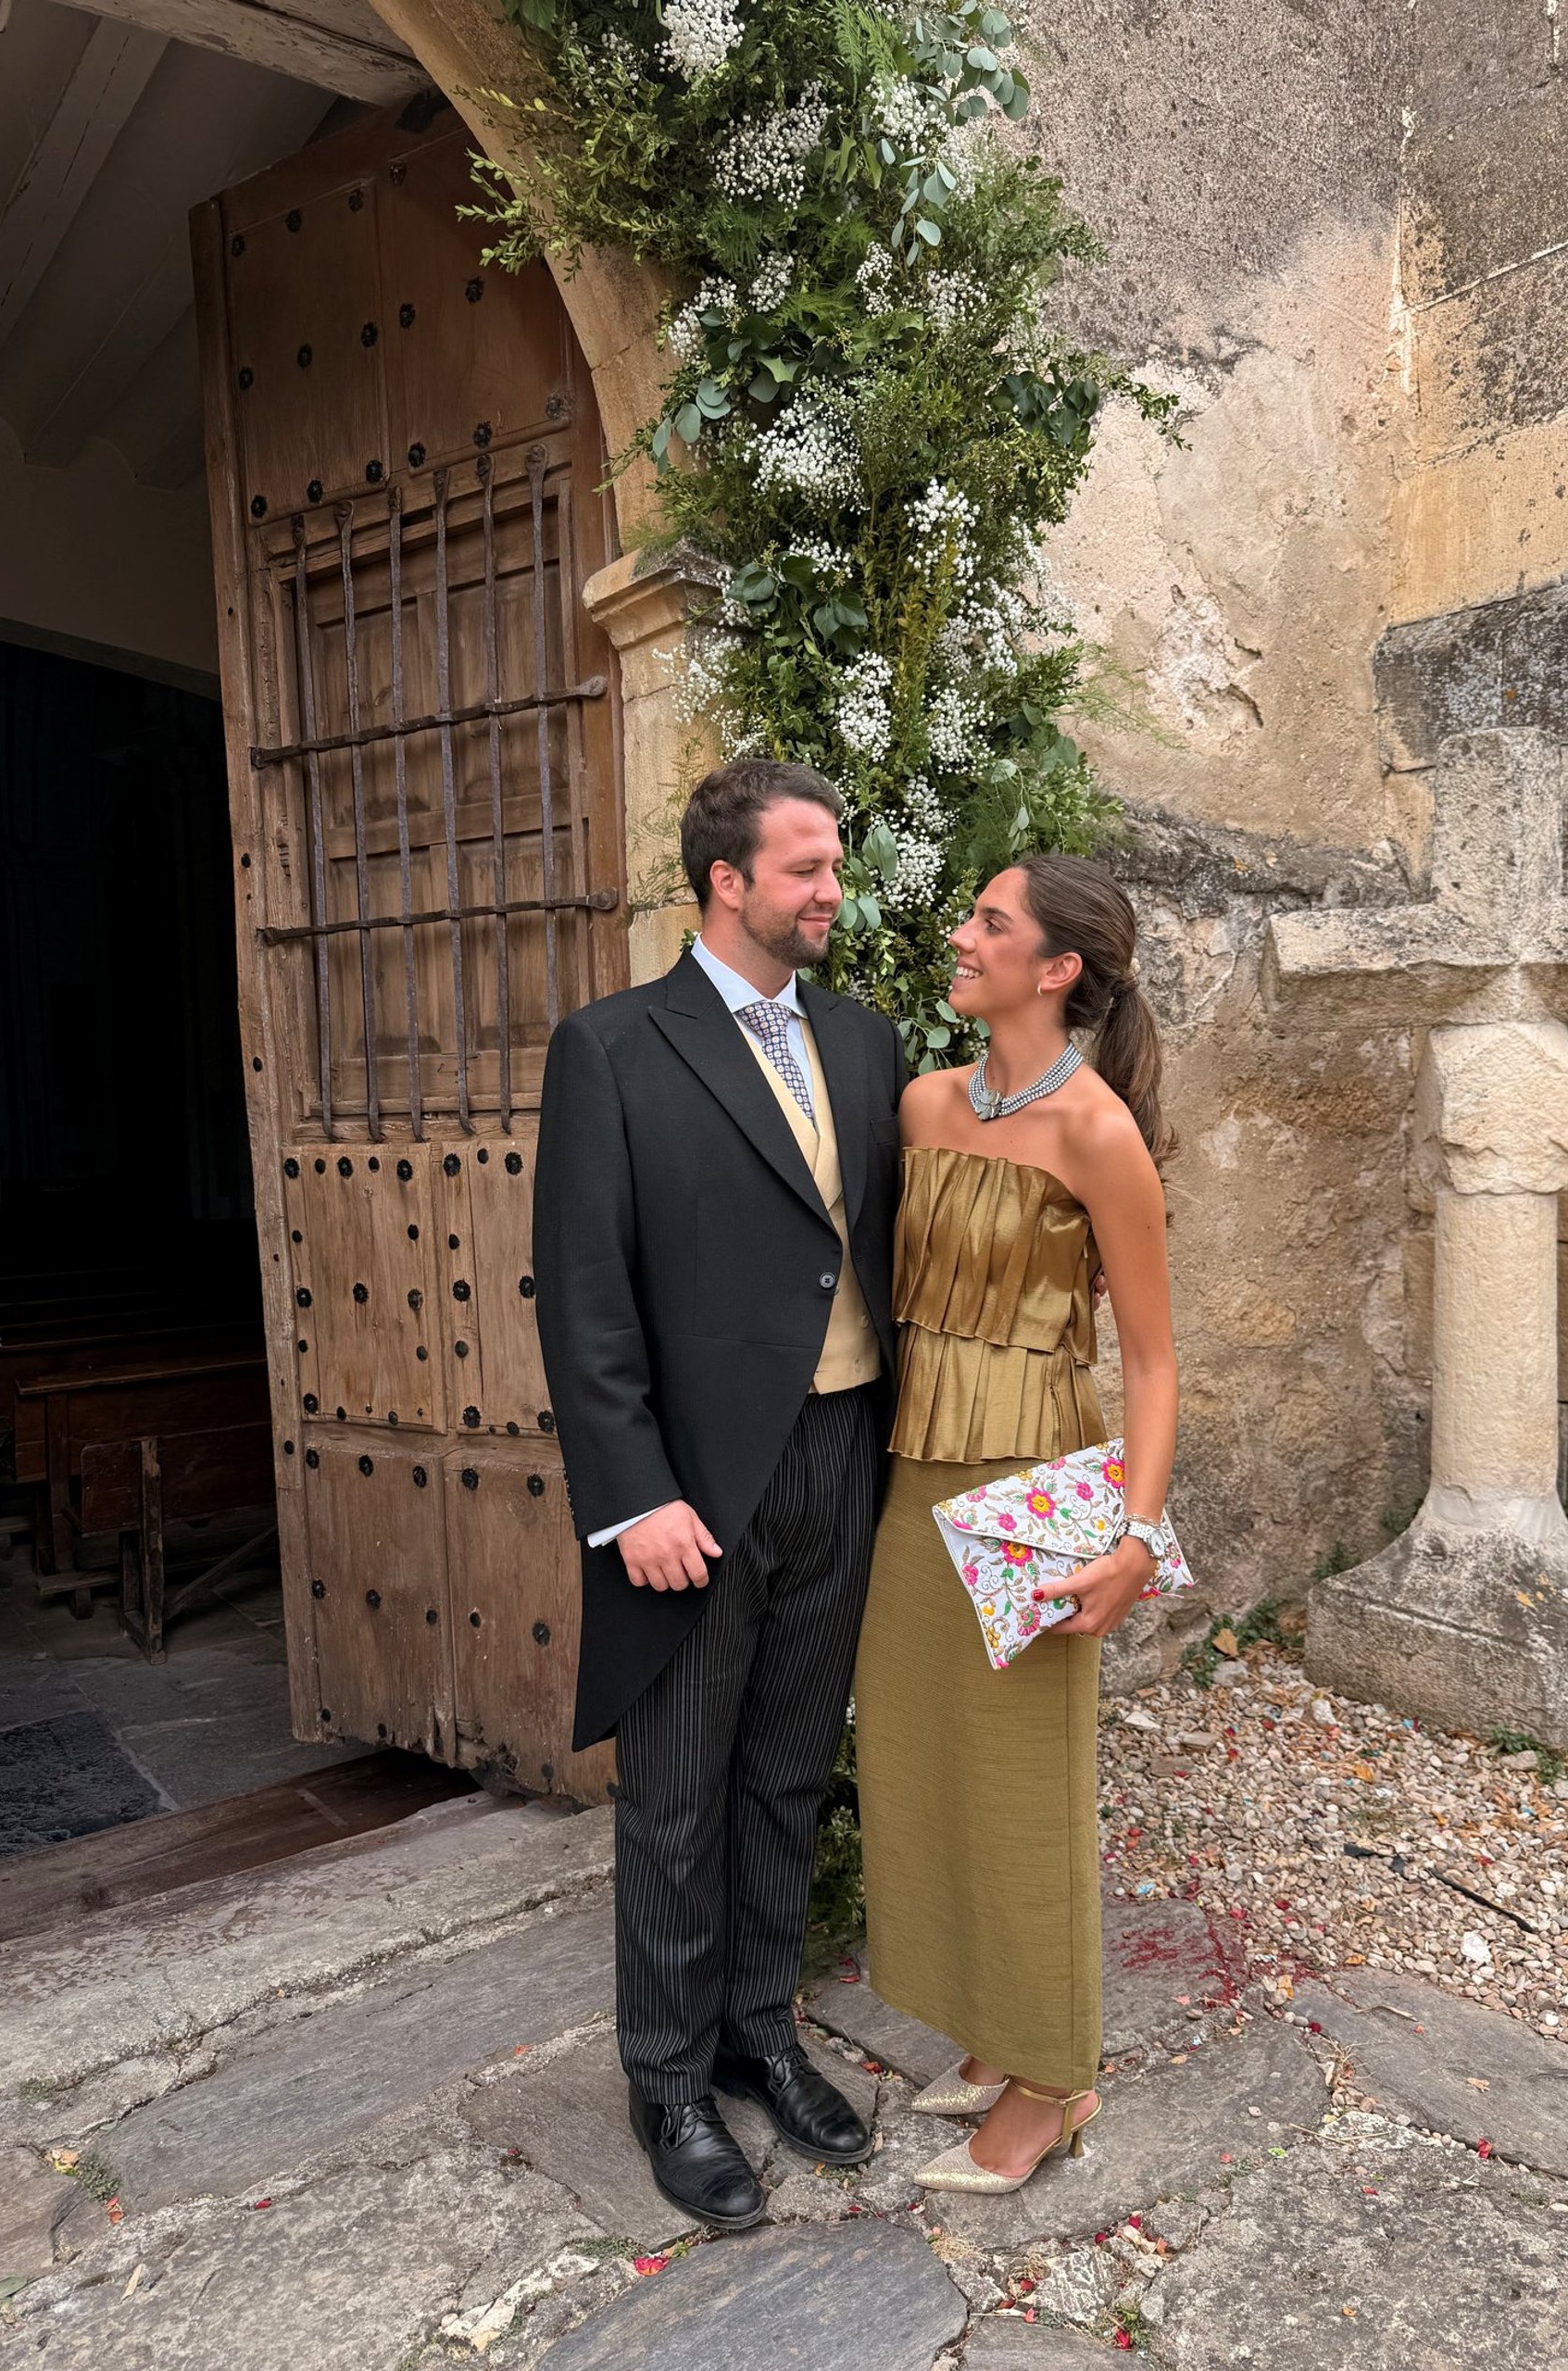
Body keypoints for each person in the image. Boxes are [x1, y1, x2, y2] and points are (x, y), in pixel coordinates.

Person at [532, 759, 903, 2231]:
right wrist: (634, 1497)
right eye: (805, 869)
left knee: (788, 1777)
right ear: (725, 882)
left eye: (834, 867)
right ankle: (669, 2082)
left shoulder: (866, 1044)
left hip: (840, 1457)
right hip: (691, 1494)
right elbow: (582, 1293)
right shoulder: (616, 1049)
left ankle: (762, 2032)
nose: (832, 893)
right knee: (676, 1800)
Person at [852, 852, 1179, 2194]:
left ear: (1056, 971)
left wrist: (1135, 1537)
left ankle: (1054, 2081)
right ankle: (994, 2031)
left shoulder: (1097, 1132)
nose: (960, 931)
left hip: (1036, 1485)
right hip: (913, 1463)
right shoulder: (926, 1102)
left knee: (1029, 1779)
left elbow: (1155, 1360)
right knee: (930, 1761)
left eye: (990, 921)